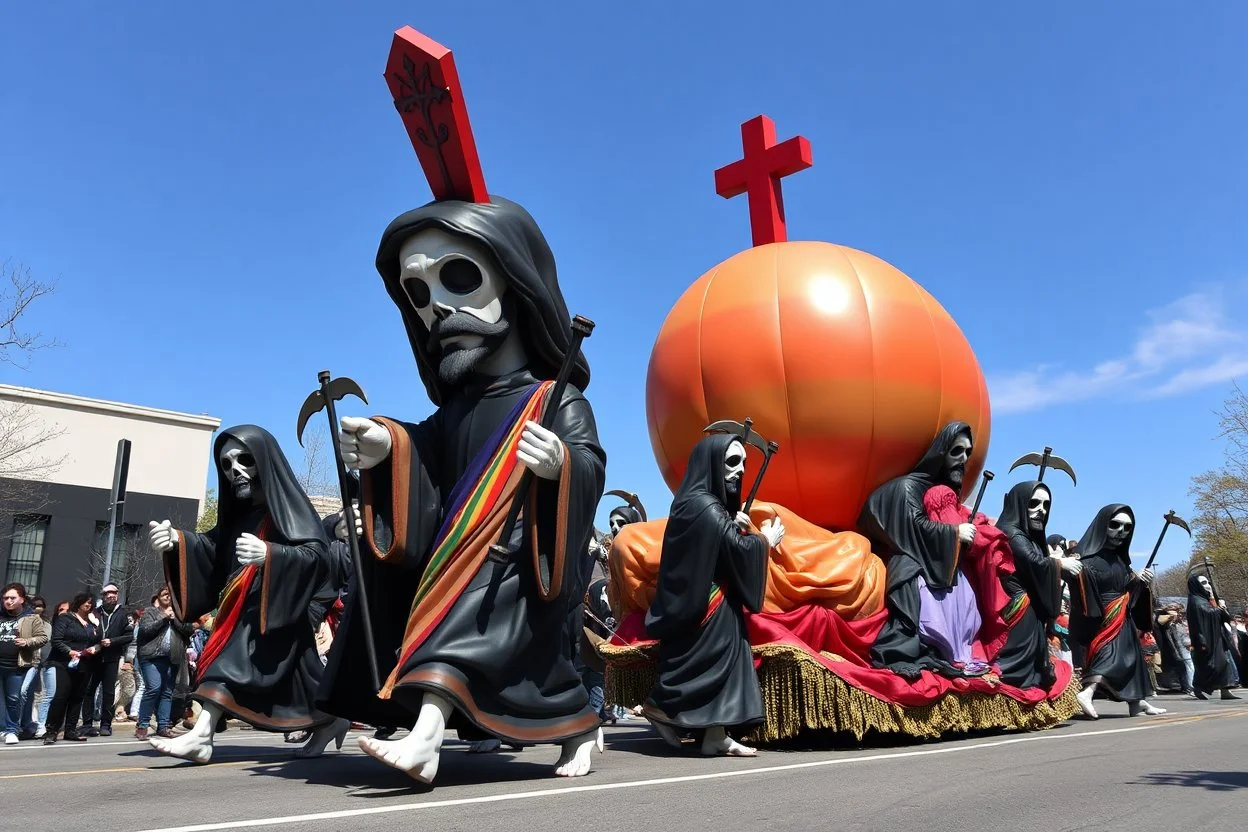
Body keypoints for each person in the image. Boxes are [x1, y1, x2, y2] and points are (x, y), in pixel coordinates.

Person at [146, 424, 348, 763]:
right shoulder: (240, 514)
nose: (235, 470)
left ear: (263, 461)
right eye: (226, 464)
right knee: (302, 678)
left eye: (244, 460)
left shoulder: (288, 507)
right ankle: (331, 716)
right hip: (246, 609)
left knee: (226, 665)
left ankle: (202, 734)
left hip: (274, 611)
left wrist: (272, 555)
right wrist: (178, 543)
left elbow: (318, 555)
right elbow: (213, 547)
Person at [642, 433, 783, 757]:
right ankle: (661, 708)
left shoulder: (698, 504)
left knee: (728, 665)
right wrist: (765, 540)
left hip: (717, 602)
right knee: (709, 665)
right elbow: (734, 548)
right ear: (711, 464)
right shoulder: (704, 506)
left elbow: (718, 543)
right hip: (707, 605)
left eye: (744, 464)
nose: (740, 470)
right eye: (732, 462)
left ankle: (716, 734)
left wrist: (733, 525)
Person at [859, 421, 987, 680]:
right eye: (956, 451)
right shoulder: (908, 488)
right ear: (940, 452)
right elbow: (913, 528)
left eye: (967, 453)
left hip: (935, 565)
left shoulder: (933, 490)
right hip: (910, 564)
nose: (963, 459)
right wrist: (954, 533)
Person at [1069, 504, 1164, 719]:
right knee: (1112, 656)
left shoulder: (1121, 561)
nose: (1121, 531)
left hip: (1124, 618)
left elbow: (1128, 590)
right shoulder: (1086, 559)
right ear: (1103, 525)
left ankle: (1137, 701)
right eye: (1115, 525)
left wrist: (1139, 581)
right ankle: (1087, 692)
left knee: (1133, 657)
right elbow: (1083, 594)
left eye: (1127, 527)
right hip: (1102, 617)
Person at [992, 482, 1082, 689]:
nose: (1041, 510)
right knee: (1015, 656)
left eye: (1046, 505)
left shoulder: (1027, 535)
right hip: (1016, 604)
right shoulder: (1011, 532)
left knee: (1029, 657)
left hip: (1028, 606)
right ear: (1020, 503)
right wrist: (1060, 563)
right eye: (1034, 503)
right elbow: (1034, 561)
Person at [135, 586, 194, 739]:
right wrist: (164, 618)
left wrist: (175, 620)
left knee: (167, 693)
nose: (168, 597)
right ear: (158, 597)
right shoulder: (151, 612)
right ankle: (142, 725)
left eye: (170, 594)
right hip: (151, 657)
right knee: (153, 688)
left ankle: (163, 726)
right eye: (164, 594)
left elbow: (189, 631)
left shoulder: (179, 614)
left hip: (172, 658)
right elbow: (145, 631)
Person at [45, 592, 101, 743]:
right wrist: (69, 651)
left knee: (77, 698)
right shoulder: (66, 619)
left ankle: (70, 730)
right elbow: (56, 640)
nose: (88, 605)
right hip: (63, 662)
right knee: (61, 696)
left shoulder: (92, 623)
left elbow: (98, 641)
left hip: (84, 664)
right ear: (78, 603)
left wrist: (95, 648)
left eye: (91, 603)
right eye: (86, 602)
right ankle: (51, 731)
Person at [79, 583, 132, 737]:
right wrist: (96, 641)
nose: (111, 596)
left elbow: (129, 636)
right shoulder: (95, 612)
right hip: (93, 658)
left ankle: (106, 724)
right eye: (108, 593)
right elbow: (86, 631)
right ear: (103, 596)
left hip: (112, 658)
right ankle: (87, 723)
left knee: (108, 693)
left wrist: (112, 641)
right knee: (89, 691)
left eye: (114, 593)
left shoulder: (123, 614)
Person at [1, 583, 48, 744]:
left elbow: (43, 637)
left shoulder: (31, 618)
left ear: (22, 599)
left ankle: (12, 730)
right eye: (6, 598)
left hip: (16, 665)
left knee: (14, 698)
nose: (8, 601)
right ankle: (3, 729)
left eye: (12, 598)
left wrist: (27, 642)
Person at [1186, 571, 1238, 700]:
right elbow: (1197, 622)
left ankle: (1225, 690)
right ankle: (1198, 686)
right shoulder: (1195, 601)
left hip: (1217, 638)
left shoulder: (1206, 600)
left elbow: (1223, 617)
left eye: (1208, 582)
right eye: (1203, 583)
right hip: (1207, 640)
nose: (1208, 585)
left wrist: (1220, 608)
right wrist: (1201, 641)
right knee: (1210, 666)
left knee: (1224, 663)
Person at [17, 595, 54, 739]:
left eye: (40, 605)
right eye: (34, 605)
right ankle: (23, 723)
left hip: (41, 662)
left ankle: (38, 725)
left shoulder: (46, 623)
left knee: (39, 694)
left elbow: (45, 640)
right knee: (24, 692)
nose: (37, 608)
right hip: (25, 662)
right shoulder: (23, 620)